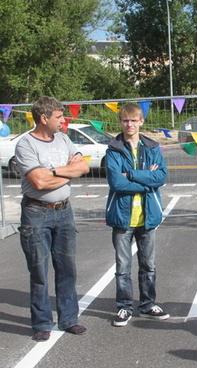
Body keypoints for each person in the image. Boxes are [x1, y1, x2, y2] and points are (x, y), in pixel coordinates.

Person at [15, 96, 90, 341]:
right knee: (39, 272)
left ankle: (69, 319)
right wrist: (68, 172)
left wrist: (55, 172)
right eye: (59, 116)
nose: (63, 120)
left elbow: (83, 167)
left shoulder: (64, 139)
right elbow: (38, 181)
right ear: (44, 118)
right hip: (36, 213)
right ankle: (42, 323)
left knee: (67, 268)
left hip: (64, 212)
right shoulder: (26, 144)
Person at [105, 102, 169, 327]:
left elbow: (160, 176)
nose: (129, 124)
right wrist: (145, 181)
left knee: (148, 265)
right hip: (122, 218)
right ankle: (124, 307)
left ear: (141, 121)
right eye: (125, 120)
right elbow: (116, 182)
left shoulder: (152, 148)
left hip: (147, 216)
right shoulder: (113, 149)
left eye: (133, 120)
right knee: (123, 267)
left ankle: (148, 303)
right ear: (120, 122)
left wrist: (132, 174)